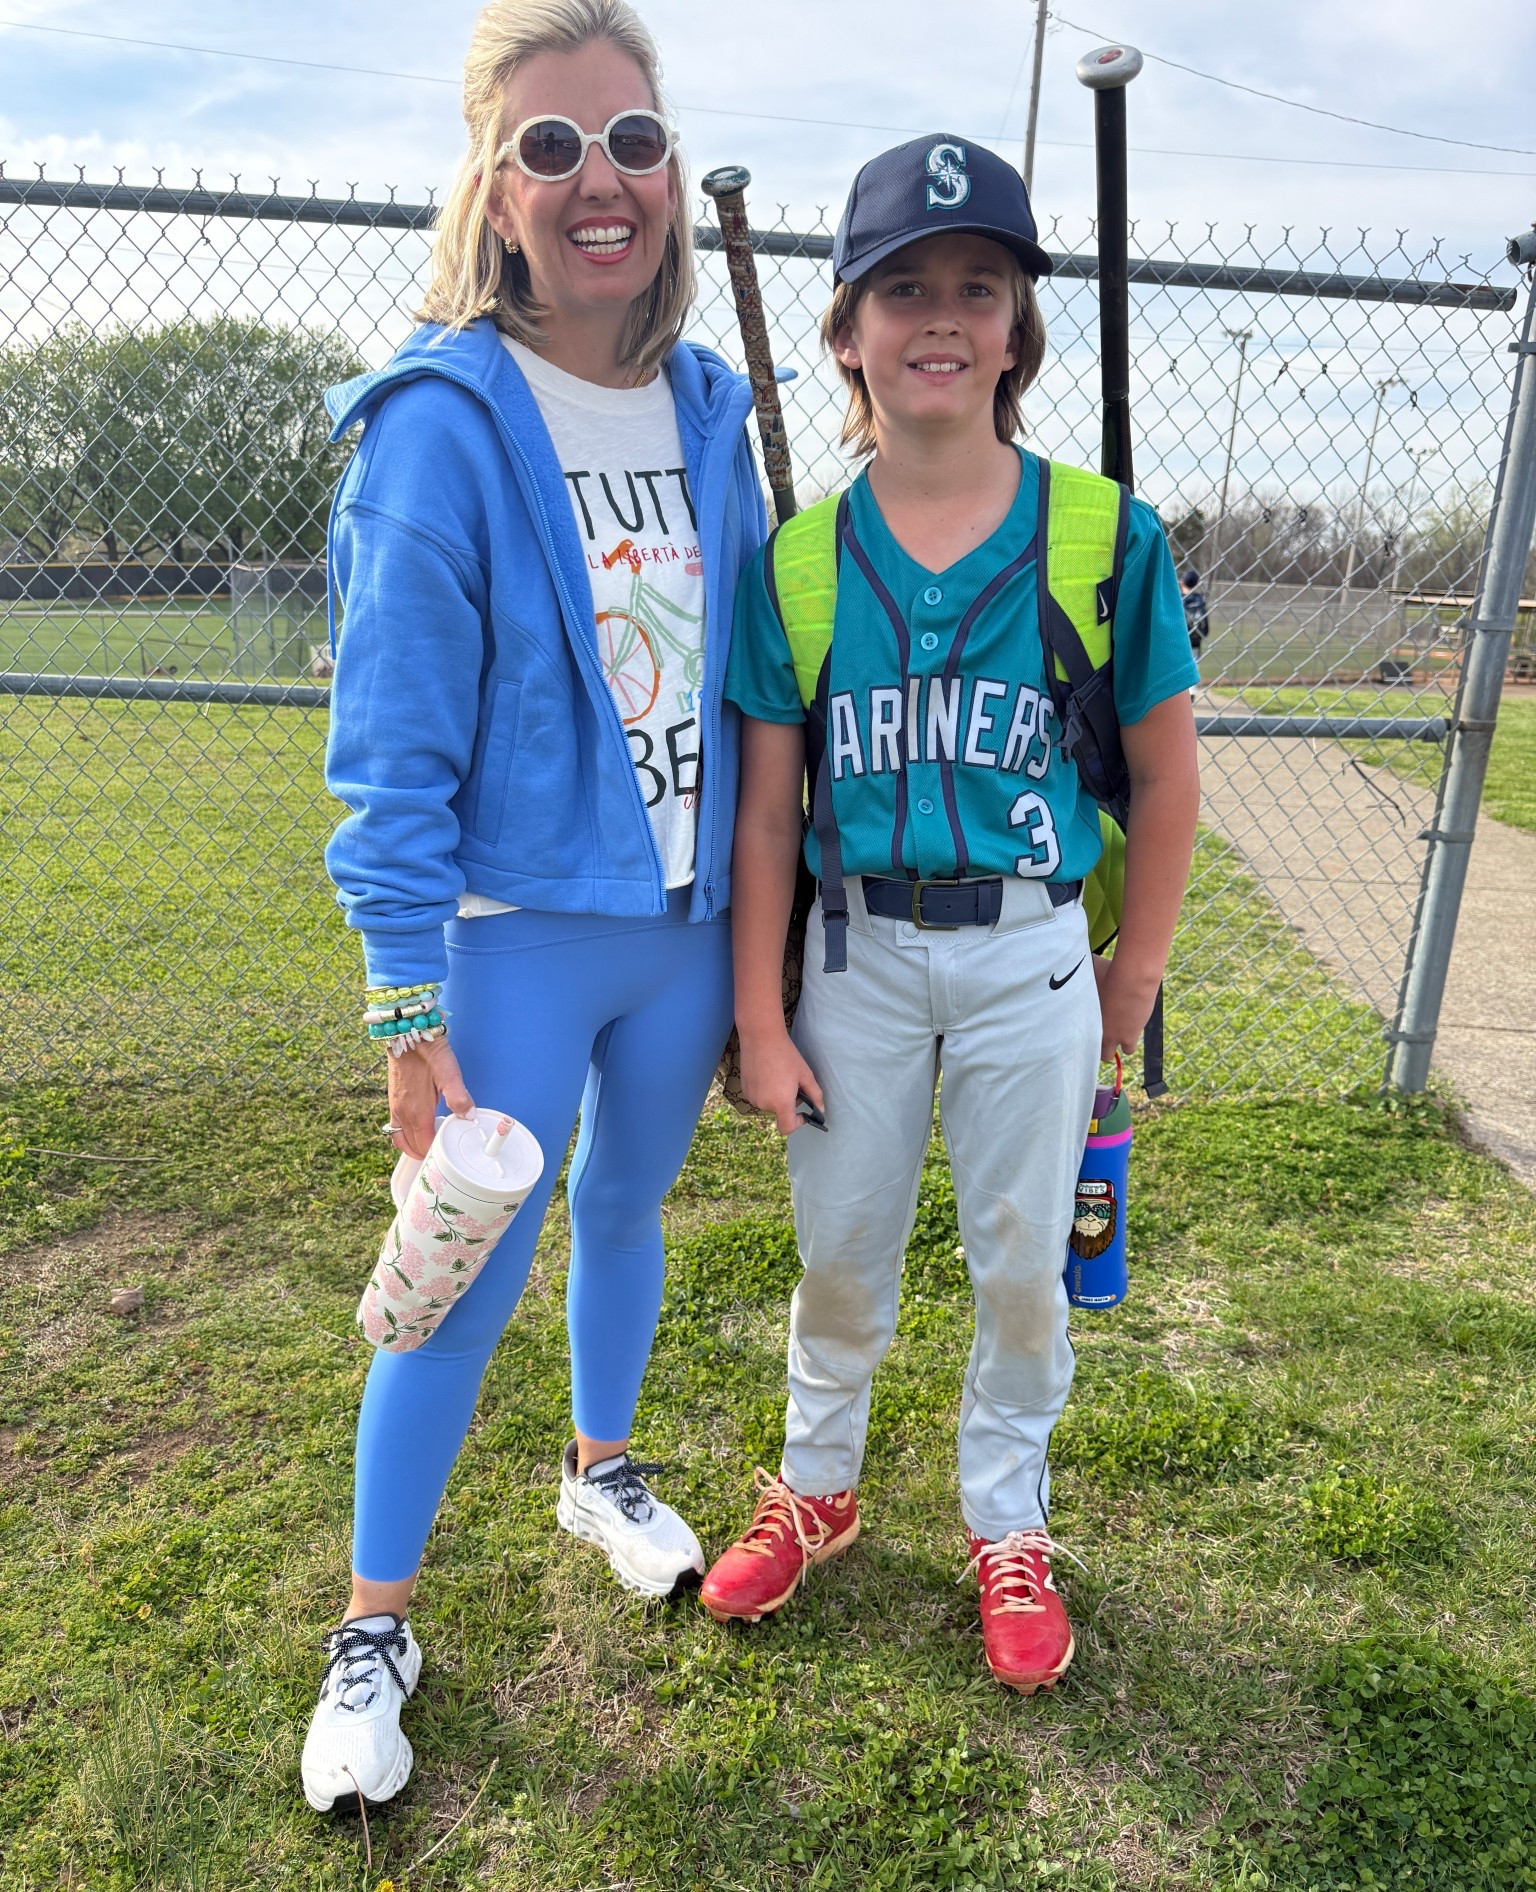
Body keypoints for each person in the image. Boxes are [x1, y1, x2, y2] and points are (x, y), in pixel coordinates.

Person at [301, 0, 765, 1813]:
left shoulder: (714, 411)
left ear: (667, 170)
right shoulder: (437, 423)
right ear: (495, 188)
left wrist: (748, 936)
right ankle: (373, 1621)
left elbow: (746, 694)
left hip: (677, 924)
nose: (603, 182)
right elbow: (391, 740)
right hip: (512, 928)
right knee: (458, 1272)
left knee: (630, 1206)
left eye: (634, 142)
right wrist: (402, 1005)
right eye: (554, 147)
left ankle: (600, 1467)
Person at [699, 137, 1200, 1694]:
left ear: (1017, 329)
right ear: (845, 330)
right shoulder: (797, 562)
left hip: (1030, 958)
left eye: (977, 288)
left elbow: (1173, 780)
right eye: (902, 287)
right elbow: (770, 811)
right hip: (852, 954)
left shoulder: (1103, 539)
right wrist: (763, 1016)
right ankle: (820, 1484)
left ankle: (1008, 1517)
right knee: (840, 1253)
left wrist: (1134, 976)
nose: (941, 316)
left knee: (1018, 1266)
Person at [1181, 567, 1209, 656]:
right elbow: (1205, 630)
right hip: (1195, 644)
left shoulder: (1177, 600)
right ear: (1197, 583)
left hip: (1178, 642)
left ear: (1182, 583)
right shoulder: (1200, 601)